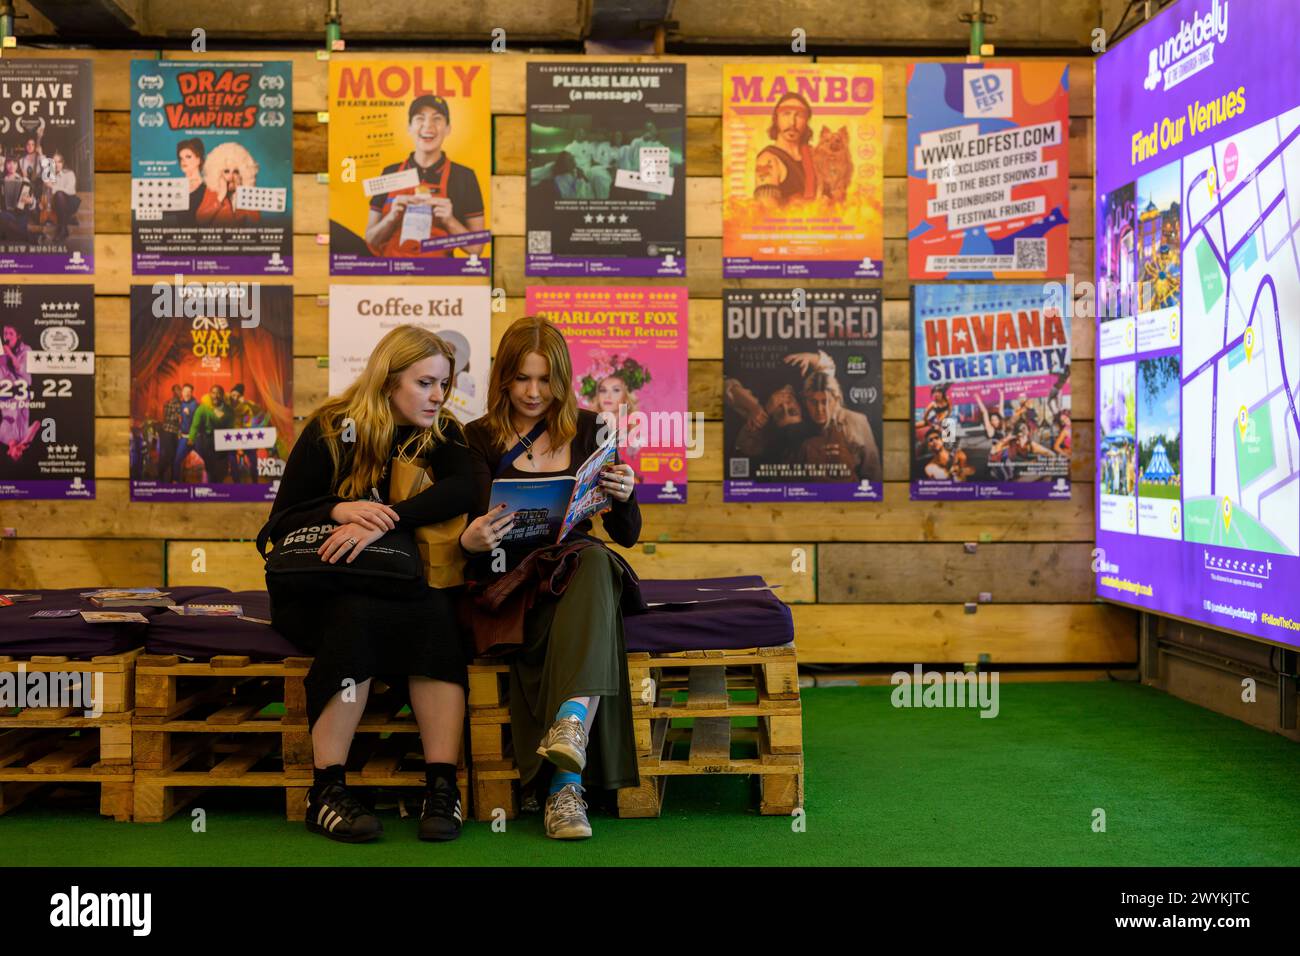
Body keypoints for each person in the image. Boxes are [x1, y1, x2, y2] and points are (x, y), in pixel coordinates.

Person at [261, 325, 474, 843]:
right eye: (425, 384)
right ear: (388, 379)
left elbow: (471, 484)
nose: (438, 396)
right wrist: (338, 508)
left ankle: (442, 787)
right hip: (322, 592)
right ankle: (326, 790)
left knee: (436, 614)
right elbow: (278, 522)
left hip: (402, 584)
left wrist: (385, 519)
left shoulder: (439, 431)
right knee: (356, 615)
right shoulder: (332, 429)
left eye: (443, 384)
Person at [461, 316, 641, 841]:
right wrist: (470, 541)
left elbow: (625, 534)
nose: (534, 393)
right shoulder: (477, 439)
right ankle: (566, 783)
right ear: (503, 380)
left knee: (597, 560)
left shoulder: (592, 430)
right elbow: (462, 537)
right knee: (593, 576)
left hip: (574, 574)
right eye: (522, 379)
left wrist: (626, 496)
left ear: (562, 379)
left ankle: (568, 749)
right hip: (509, 584)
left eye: (545, 380)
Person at [365, 94, 485, 260]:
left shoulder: (465, 177)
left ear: (448, 128)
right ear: (409, 127)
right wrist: (392, 218)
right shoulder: (389, 173)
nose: (428, 126)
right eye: (420, 118)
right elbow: (370, 240)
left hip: (439, 278)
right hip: (391, 274)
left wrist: (449, 221)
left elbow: (476, 248)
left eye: (437, 119)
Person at [753, 92, 818, 207]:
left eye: (799, 116)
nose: (792, 123)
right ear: (776, 119)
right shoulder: (768, 160)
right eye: (786, 114)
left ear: (806, 122)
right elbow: (769, 212)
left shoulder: (815, 155)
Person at [195, 142, 261, 227]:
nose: (230, 177)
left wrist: (242, 194)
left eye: (236, 172)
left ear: (242, 174)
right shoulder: (212, 192)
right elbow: (200, 220)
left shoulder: (245, 194)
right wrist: (220, 196)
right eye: (226, 171)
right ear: (218, 173)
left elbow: (256, 219)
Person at [0, 324, 40, 462]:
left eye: (10, 333)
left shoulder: (2, 437)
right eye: (6, 334)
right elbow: (37, 424)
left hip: (7, 390)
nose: (7, 337)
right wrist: (25, 442)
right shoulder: (25, 438)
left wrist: (7, 354)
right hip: (21, 389)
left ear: (8, 452)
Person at [187, 384, 236, 483]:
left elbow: (231, 427)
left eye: (219, 393)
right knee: (210, 467)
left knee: (222, 469)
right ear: (210, 394)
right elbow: (195, 425)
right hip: (208, 440)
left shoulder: (229, 410)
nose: (216, 395)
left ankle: (217, 485)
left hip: (223, 440)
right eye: (213, 393)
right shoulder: (203, 408)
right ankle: (210, 486)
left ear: (222, 395)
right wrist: (191, 438)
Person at [165, 138, 206, 226]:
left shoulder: (208, 189)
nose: (183, 161)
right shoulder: (175, 188)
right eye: (181, 158)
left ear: (198, 160)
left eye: (188, 157)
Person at [44, 151, 79, 242]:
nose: (57, 164)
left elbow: (70, 191)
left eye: (59, 162)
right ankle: (66, 225)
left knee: (59, 194)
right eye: (54, 162)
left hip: (70, 202)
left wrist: (53, 187)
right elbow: (49, 196)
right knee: (58, 195)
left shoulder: (69, 174)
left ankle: (62, 229)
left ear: (62, 163)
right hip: (57, 205)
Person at [157, 385, 184, 482]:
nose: (179, 392)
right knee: (169, 456)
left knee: (176, 457)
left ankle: (174, 479)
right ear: (173, 391)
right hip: (168, 432)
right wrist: (179, 418)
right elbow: (167, 418)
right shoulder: (169, 402)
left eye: (180, 390)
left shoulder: (183, 403)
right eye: (177, 390)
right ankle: (160, 474)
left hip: (177, 433)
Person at [173, 383, 198, 480]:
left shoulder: (195, 404)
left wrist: (189, 413)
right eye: (185, 391)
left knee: (207, 460)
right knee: (177, 461)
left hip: (195, 438)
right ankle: (176, 482)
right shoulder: (180, 404)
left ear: (192, 393)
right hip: (184, 437)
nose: (187, 394)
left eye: (189, 392)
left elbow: (195, 419)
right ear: (182, 393)